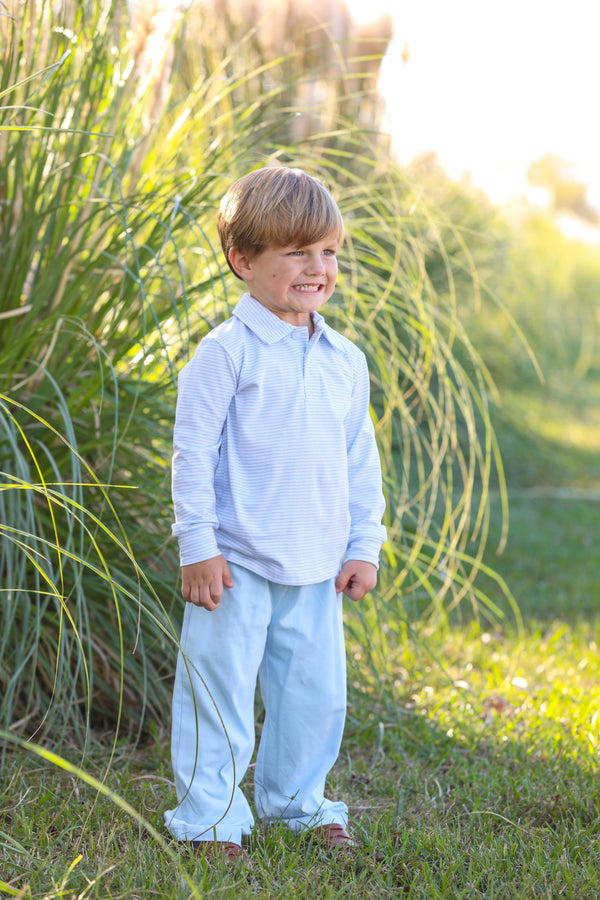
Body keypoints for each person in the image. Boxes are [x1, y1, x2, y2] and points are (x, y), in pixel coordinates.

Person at [164, 166, 387, 864]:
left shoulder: (345, 360)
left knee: (313, 697)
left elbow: (360, 460)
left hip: (317, 565)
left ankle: (297, 803)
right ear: (243, 260)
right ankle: (210, 819)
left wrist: (363, 543)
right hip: (234, 563)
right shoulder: (223, 355)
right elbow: (191, 456)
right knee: (218, 696)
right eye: (296, 252)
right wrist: (197, 546)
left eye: (327, 251)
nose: (317, 267)